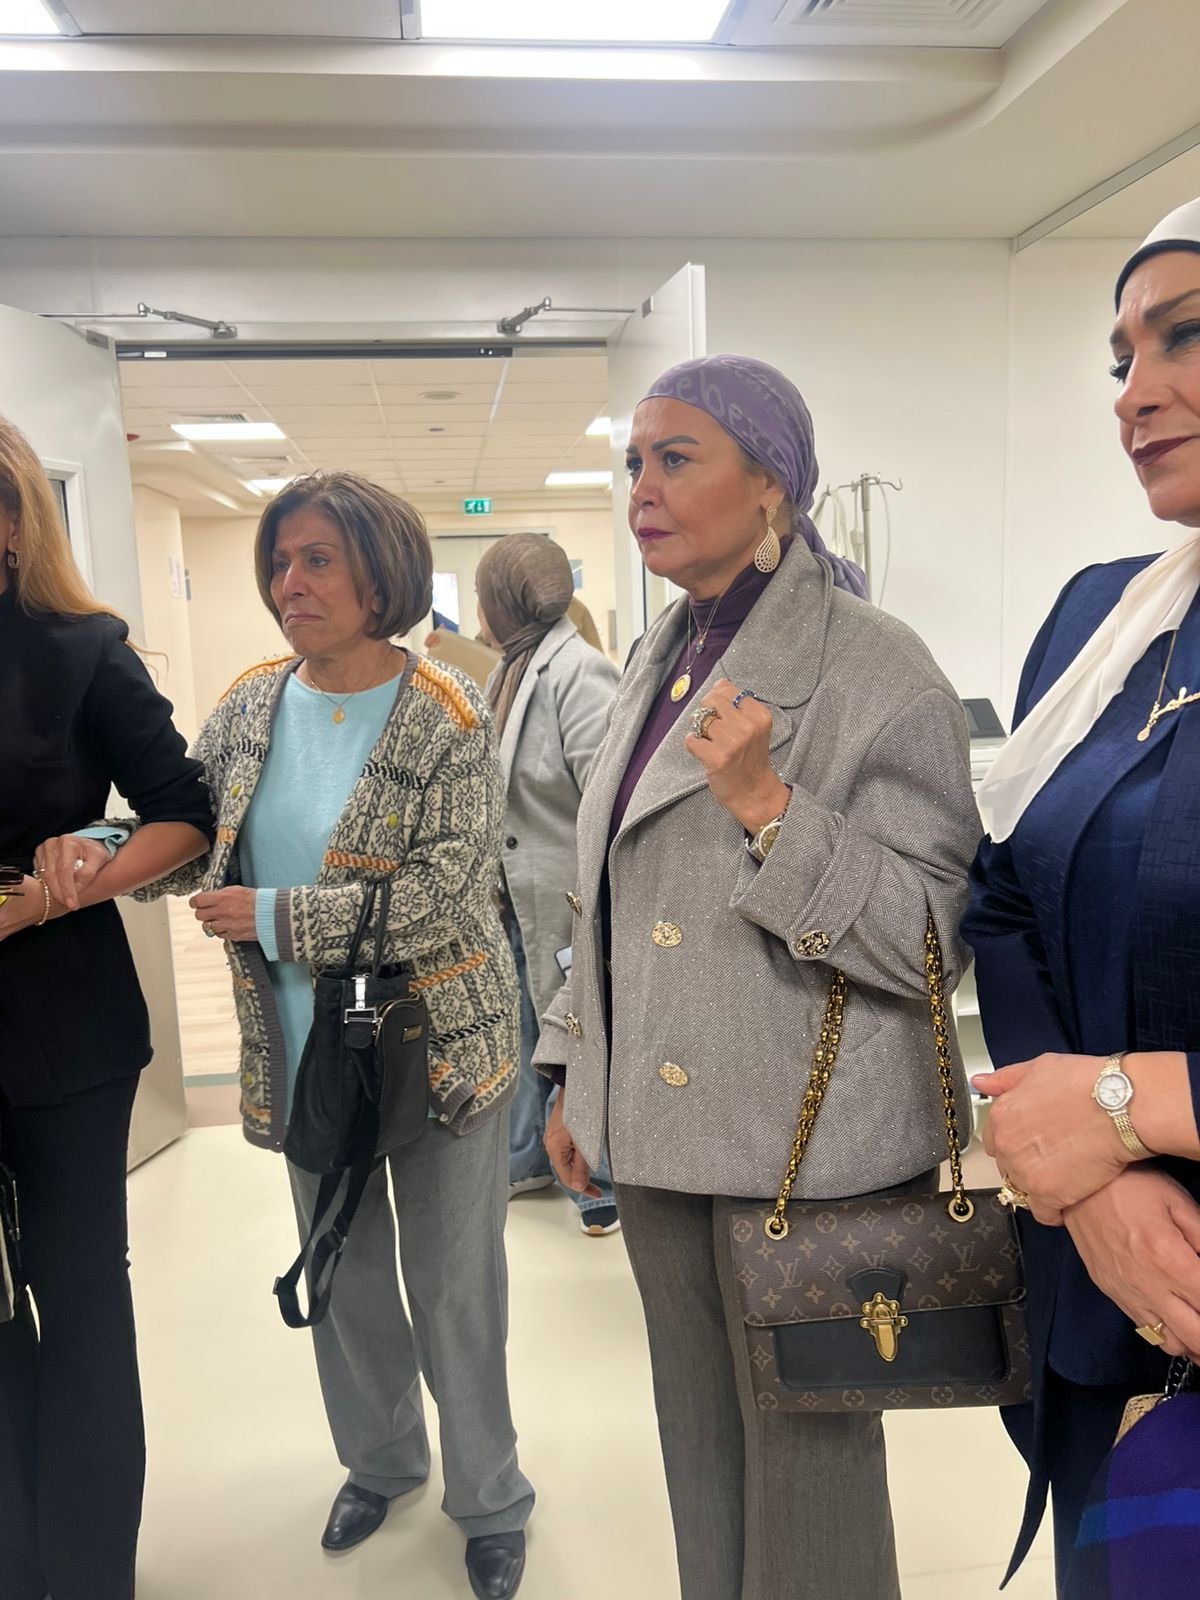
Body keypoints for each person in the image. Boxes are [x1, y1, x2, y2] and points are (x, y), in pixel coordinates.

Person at [535, 354, 980, 1600]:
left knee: (810, 1478)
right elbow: (609, 892)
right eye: (635, 461)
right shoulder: (659, 653)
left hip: (803, 1151)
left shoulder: (877, 666)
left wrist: (773, 811)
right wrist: (575, 1068)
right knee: (699, 1449)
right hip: (659, 1144)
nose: (642, 488)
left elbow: (932, 938)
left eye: (676, 459)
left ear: (772, 482)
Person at [144, 472, 533, 1600]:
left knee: (455, 1288)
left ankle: (490, 1495)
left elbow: (442, 899)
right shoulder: (248, 705)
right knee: (343, 1271)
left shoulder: (448, 715)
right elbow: (194, 833)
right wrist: (101, 851)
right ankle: (381, 1460)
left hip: (442, 1051)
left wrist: (274, 917)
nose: (290, 584)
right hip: (307, 1052)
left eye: (317, 560)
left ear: (381, 576)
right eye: (279, 562)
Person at [965, 198, 1200, 1597]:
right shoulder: (1105, 619)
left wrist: (1129, 1108)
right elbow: (1005, 891)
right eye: (1121, 358)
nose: (1134, 394)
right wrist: (1092, 1175)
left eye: (1186, 338)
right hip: (1104, 1290)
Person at [0, 417, 212, 1600]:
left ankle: (85, 1575)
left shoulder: (80, 650)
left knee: (77, 1295)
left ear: (12, 520)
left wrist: (56, 887)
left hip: (60, 1024)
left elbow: (185, 810)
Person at [474, 533, 621, 1232]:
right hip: (517, 899)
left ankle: (599, 1186)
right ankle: (531, 1160)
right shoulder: (512, 667)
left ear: (507, 599)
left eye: (483, 596)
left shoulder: (579, 672)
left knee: (576, 1043)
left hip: (566, 900)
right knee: (527, 1033)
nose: (479, 611)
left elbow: (608, 799)